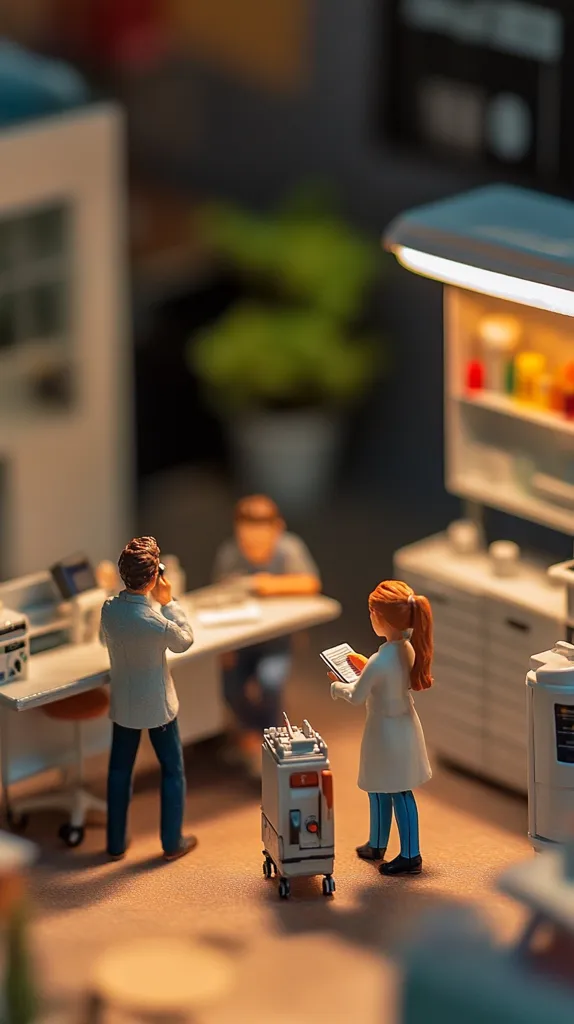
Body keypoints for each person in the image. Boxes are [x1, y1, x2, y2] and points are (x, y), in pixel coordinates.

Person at [100, 536, 196, 861]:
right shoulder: (156, 622)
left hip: (123, 704)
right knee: (172, 770)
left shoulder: (109, 609)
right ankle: (172, 841)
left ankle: (115, 843)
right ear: (154, 577)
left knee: (118, 772)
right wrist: (169, 603)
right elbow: (185, 640)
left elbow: (103, 638)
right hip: (158, 707)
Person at [329, 579, 433, 876]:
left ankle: (410, 854)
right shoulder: (405, 649)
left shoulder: (380, 659)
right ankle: (377, 843)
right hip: (397, 725)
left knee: (394, 788)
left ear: (381, 617)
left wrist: (337, 686)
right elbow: (387, 678)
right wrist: (367, 670)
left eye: (372, 612)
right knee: (380, 785)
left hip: (386, 731)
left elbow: (356, 695)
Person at [213, 495, 321, 773]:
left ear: (277, 529)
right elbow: (219, 592)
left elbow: (309, 583)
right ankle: (251, 734)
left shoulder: (289, 549)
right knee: (230, 686)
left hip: (276, 639)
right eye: (247, 537)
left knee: (270, 682)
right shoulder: (230, 554)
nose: (254, 544)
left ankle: (270, 737)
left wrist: (267, 585)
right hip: (240, 638)